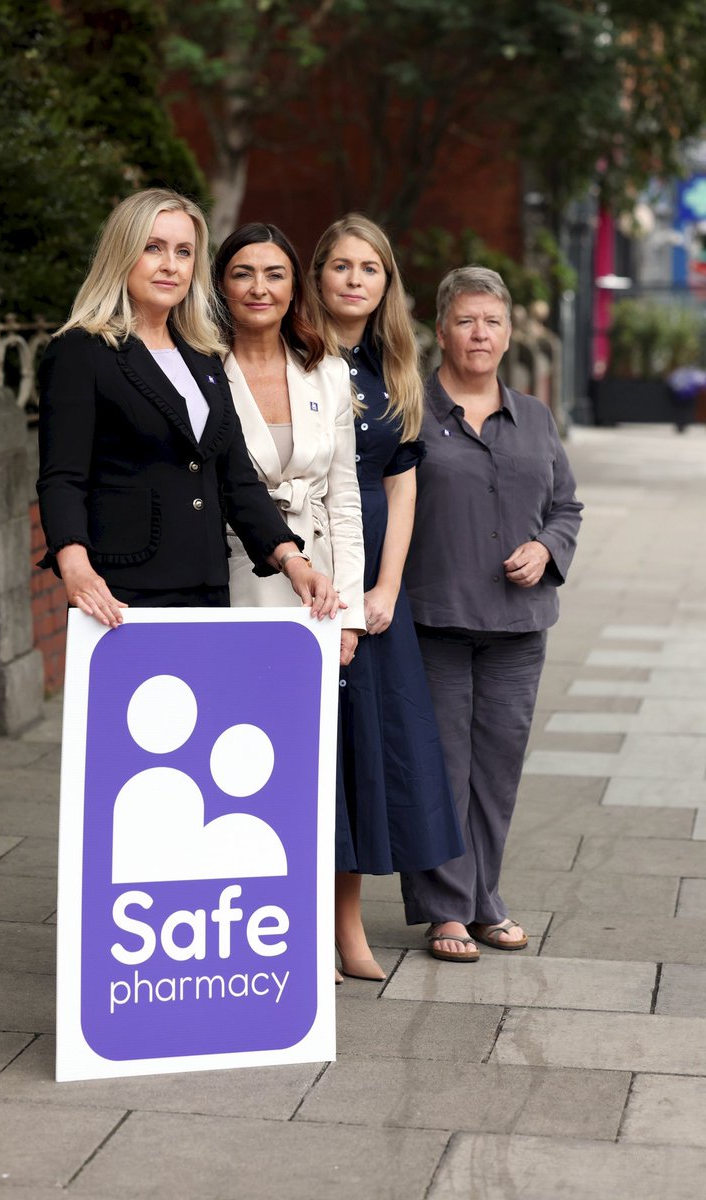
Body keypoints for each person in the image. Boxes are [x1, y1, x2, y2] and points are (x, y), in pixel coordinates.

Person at [36, 189, 341, 622]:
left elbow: (236, 480)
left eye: (184, 252)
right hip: (119, 594)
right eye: (153, 248)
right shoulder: (80, 351)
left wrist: (293, 561)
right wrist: (75, 568)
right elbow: (62, 478)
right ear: (122, 253)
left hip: (208, 586)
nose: (170, 265)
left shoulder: (203, 357)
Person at [401, 266, 583, 961]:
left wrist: (545, 546)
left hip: (517, 627)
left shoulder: (534, 416)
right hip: (435, 619)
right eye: (467, 320)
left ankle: (485, 899)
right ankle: (446, 909)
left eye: (494, 322)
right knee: (443, 769)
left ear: (509, 335)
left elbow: (567, 504)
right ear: (441, 330)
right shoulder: (410, 409)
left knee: (497, 772)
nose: (481, 333)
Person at [307, 214, 464, 977]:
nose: (355, 279)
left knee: (371, 755)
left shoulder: (391, 363)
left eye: (370, 268)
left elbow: (402, 486)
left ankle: (348, 926)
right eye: (341, 265)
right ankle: (297, 923)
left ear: (386, 283)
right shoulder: (292, 355)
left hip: (373, 581)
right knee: (314, 753)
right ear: (320, 274)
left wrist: (387, 588)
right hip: (303, 568)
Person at [213, 222, 369, 982]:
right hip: (233, 578)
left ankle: (304, 928)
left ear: (292, 287)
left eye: (274, 274)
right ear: (222, 285)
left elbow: (344, 501)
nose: (259, 288)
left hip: (313, 592)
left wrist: (348, 614)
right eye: (243, 273)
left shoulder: (327, 371)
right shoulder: (200, 368)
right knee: (239, 763)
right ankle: (240, 921)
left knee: (305, 767)